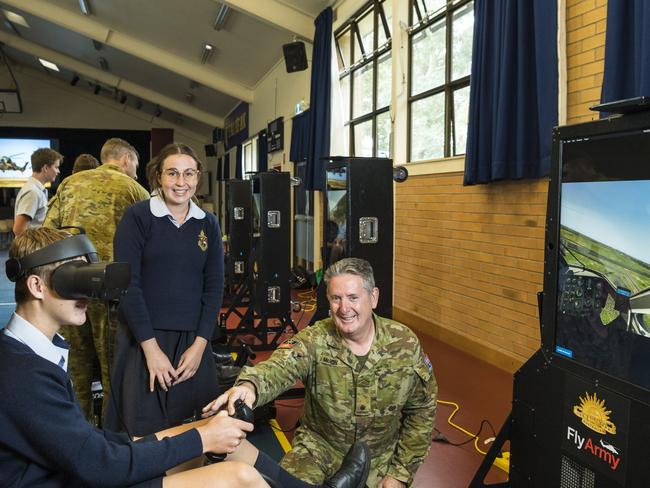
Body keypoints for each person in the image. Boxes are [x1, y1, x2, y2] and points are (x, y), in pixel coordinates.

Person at [0, 227, 371, 488]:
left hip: (80, 467)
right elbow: (97, 466)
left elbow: (81, 446)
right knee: (237, 478)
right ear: (36, 286)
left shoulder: (31, 352)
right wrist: (201, 440)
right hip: (77, 479)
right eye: (73, 281)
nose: (86, 293)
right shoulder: (22, 374)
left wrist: (200, 434)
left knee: (222, 441)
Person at [207, 258, 438, 488]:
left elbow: (422, 409)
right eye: (336, 298)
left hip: (381, 462)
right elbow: (280, 366)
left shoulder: (404, 344)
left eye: (353, 298)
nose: (344, 308)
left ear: (373, 297)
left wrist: (400, 473)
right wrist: (250, 387)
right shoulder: (315, 338)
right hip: (319, 451)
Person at [105, 143, 222, 436]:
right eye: (172, 173)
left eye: (188, 174)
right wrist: (151, 349)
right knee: (143, 437)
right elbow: (127, 285)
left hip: (191, 344)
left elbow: (214, 287)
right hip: (144, 340)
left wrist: (200, 346)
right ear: (158, 176)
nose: (181, 183)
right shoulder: (137, 217)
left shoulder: (209, 223)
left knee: (198, 433)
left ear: (197, 178)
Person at [44, 137, 150, 419]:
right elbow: (153, 242)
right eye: (136, 165)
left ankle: (74, 426)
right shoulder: (133, 188)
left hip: (67, 287)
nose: (137, 172)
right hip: (110, 290)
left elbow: (47, 232)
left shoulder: (69, 184)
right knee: (112, 367)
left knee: (74, 364)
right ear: (126, 159)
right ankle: (111, 434)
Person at [13, 147, 62, 236]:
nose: (58, 171)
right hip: (32, 249)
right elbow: (18, 229)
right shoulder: (33, 192)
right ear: (46, 168)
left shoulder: (37, 190)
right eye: (56, 167)